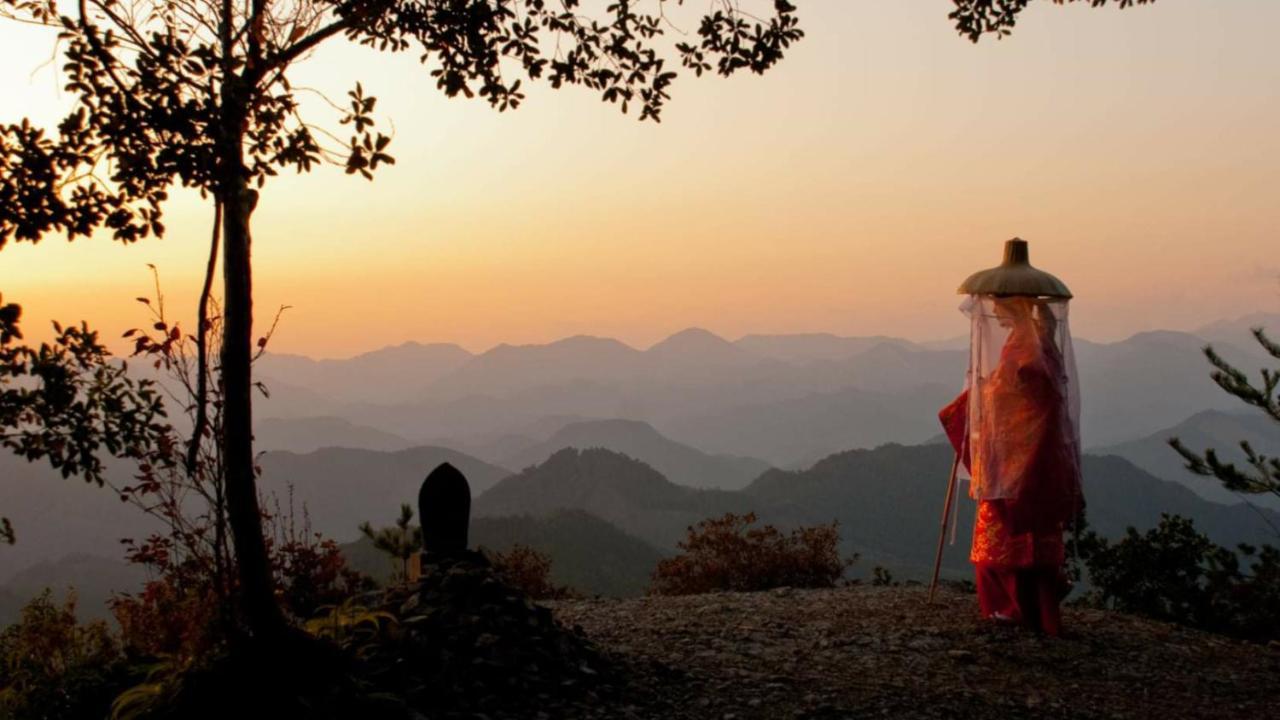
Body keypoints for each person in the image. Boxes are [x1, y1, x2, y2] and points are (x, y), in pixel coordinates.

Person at [939, 296, 1084, 636]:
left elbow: (1021, 390)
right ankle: (1033, 609)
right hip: (1035, 450)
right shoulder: (1036, 338)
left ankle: (1012, 608)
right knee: (1032, 524)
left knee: (1005, 527)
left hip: (1017, 452)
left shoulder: (1026, 342)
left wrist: (981, 395)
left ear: (1012, 305)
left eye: (998, 305)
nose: (995, 312)